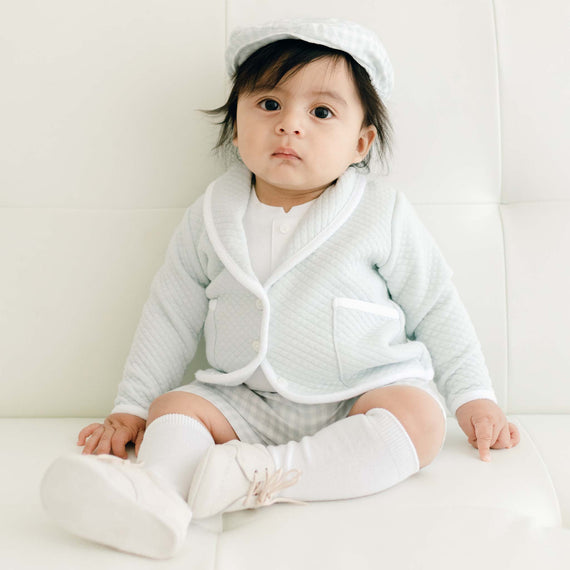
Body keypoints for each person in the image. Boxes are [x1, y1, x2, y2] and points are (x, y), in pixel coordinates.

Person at [40, 18, 520, 560]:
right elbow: (171, 312)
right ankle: (154, 500)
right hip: (241, 398)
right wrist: (131, 406)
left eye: (321, 112)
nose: (290, 125)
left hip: (357, 395)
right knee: (174, 409)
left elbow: (435, 304)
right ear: (236, 122)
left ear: (360, 142)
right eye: (269, 104)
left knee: (419, 422)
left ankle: (264, 475)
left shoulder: (380, 212)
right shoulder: (212, 214)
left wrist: (474, 396)